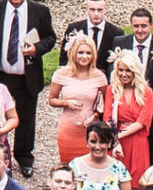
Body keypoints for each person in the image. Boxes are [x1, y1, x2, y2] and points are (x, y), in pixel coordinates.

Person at [0, 0, 54, 175]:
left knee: (26, 119)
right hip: (1, 75)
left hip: (27, 74)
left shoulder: (40, 11)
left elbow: (50, 38)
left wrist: (37, 49)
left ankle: (24, 158)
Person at [108, 5, 153, 164]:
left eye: (144, 26)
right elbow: (112, 74)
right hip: (124, 115)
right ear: (131, 25)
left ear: (151, 25)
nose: (140, 30)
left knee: (152, 160)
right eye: (136, 26)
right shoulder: (120, 42)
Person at [47, 32, 110, 169]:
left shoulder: (100, 77)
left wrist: (95, 116)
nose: (84, 57)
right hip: (68, 128)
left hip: (90, 130)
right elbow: (51, 99)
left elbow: (104, 105)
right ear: (73, 53)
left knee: (90, 166)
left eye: (88, 53)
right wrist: (66, 102)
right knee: (68, 167)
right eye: (80, 52)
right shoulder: (61, 74)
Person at [108, 51, 153, 189]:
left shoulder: (146, 92)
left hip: (137, 141)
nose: (124, 74)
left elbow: (142, 122)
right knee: (115, 183)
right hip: (117, 143)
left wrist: (118, 135)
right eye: (121, 70)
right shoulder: (112, 90)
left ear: (135, 71)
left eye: (128, 70)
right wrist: (115, 141)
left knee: (137, 187)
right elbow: (108, 118)